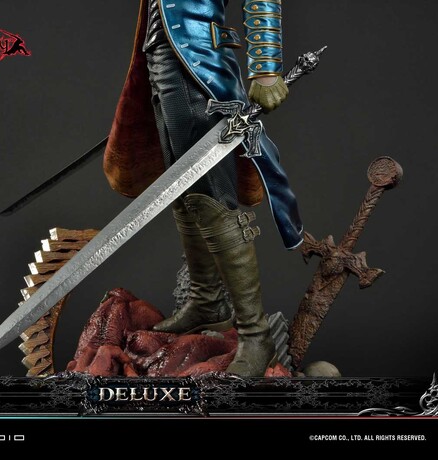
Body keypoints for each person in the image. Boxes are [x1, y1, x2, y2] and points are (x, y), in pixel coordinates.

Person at [103, 0, 303, 377]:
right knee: (185, 193)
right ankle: (206, 299)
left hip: (196, 63)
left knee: (212, 200)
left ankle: (256, 334)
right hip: (162, 59)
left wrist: (265, 67)